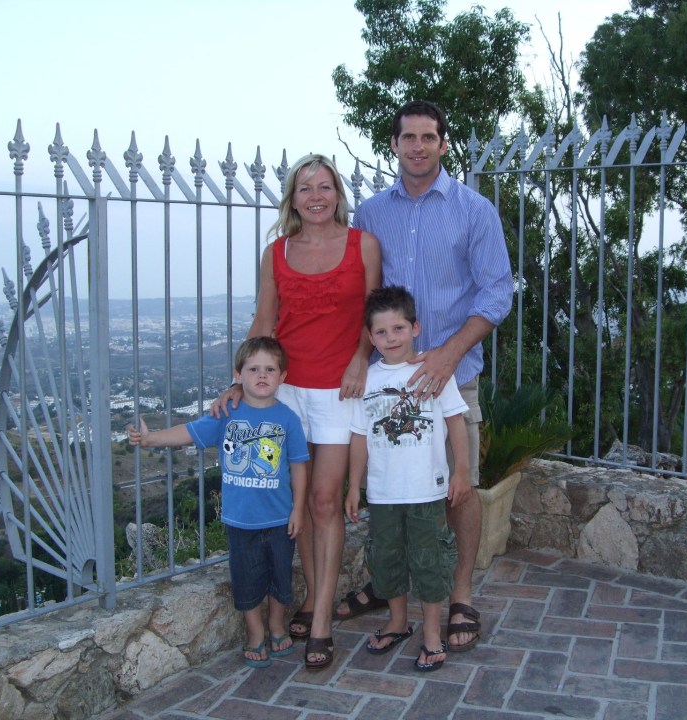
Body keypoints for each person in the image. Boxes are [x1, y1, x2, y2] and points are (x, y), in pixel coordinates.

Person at [336, 100, 512, 653]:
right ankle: (392, 590)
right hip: (387, 379)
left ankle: (459, 595)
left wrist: (446, 354)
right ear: (394, 144)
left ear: (442, 143)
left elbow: (496, 292)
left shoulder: (473, 210)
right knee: (389, 484)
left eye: (428, 137)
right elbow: (361, 298)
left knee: (457, 488)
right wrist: (361, 357)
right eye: (407, 137)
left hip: (451, 376)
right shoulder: (369, 213)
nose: (417, 146)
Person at [211, 154, 381, 669]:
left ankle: (322, 619)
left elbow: (373, 313)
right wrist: (239, 381)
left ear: (337, 194)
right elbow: (264, 320)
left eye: (324, 186)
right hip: (284, 393)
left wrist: (360, 359)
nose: (315, 195)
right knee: (303, 504)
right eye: (305, 187)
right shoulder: (277, 253)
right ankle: (312, 597)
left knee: (327, 501)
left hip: (339, 389)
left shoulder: (363, 245)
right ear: (292, 198)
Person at [127, 337, 308, 669]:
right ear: (238, 375)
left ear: (282, 376)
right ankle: (255, 633)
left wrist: (297, 509)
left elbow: (298, 465)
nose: (262, 375)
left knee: (280, 577)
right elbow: (189, 432)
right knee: (247, 579)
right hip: (240, 520)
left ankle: (277, 626)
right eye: (254, 369)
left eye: (270, 369)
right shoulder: (227, 413)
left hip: (280, 517)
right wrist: (151, 438)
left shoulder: (288, 419)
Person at [345, 286, 469, 672]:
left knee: (430, 562)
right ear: (370, 337)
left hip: (426, 490)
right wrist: (354, 485)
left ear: (415, 327)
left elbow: (455, 421)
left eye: (398, 328)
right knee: (388, 560)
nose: (391, 338)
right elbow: (359, 437)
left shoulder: (434, 371)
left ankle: (431, 632)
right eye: (381, 333)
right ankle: (399, 621)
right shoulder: (367, 379)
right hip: (382, 493)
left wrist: (462, 469)